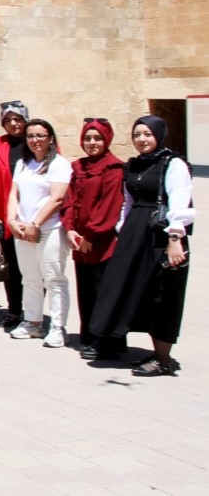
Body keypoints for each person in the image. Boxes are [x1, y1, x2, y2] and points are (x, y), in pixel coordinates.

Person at [90, 116, 194, 377]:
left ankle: (163, 359)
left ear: (159, 135)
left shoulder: (173, 163)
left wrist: (175, 239)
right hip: (135, 233)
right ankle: (117, 343)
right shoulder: (134, 165)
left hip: (161, 235)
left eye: (147, 134)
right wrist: (122, 231)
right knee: (132, 289)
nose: (142, 139)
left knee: (162, 294)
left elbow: (180, 201)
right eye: (137, 134)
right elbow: (128, 201)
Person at [62, 117, 126, 359]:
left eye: (97, 138)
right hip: (80, 242)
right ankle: (89, 337)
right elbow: (69, 200)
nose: (92, 143)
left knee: (103, 293)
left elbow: (109, 205)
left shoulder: (113, 168)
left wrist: (90, 235)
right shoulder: (78, 167)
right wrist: (69, 228)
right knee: (86, 291)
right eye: (87, 138)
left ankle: (107, 343)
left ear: (107, 139)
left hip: (102, 243)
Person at [6, 118, 71, 348]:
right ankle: (33, 322)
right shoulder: (23, 164)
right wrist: (11, 220)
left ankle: (58, 327)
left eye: (41, 135)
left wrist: (36, 223)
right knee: (30, 278)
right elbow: (14, 194)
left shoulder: (59, 164)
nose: (35, 140)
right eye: (31, 136)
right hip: (23, 229)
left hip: (49, 229)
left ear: (50, 138)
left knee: (53, 279)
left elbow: (57, 198)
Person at [0, 101, 30, 328]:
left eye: (17, 119)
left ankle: (33, 312)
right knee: (10, 265)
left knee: (33, 268)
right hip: (4, 215)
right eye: (8, 120)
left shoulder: (36, 140)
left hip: (31, 216)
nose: (13, 124)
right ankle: (14, 310)